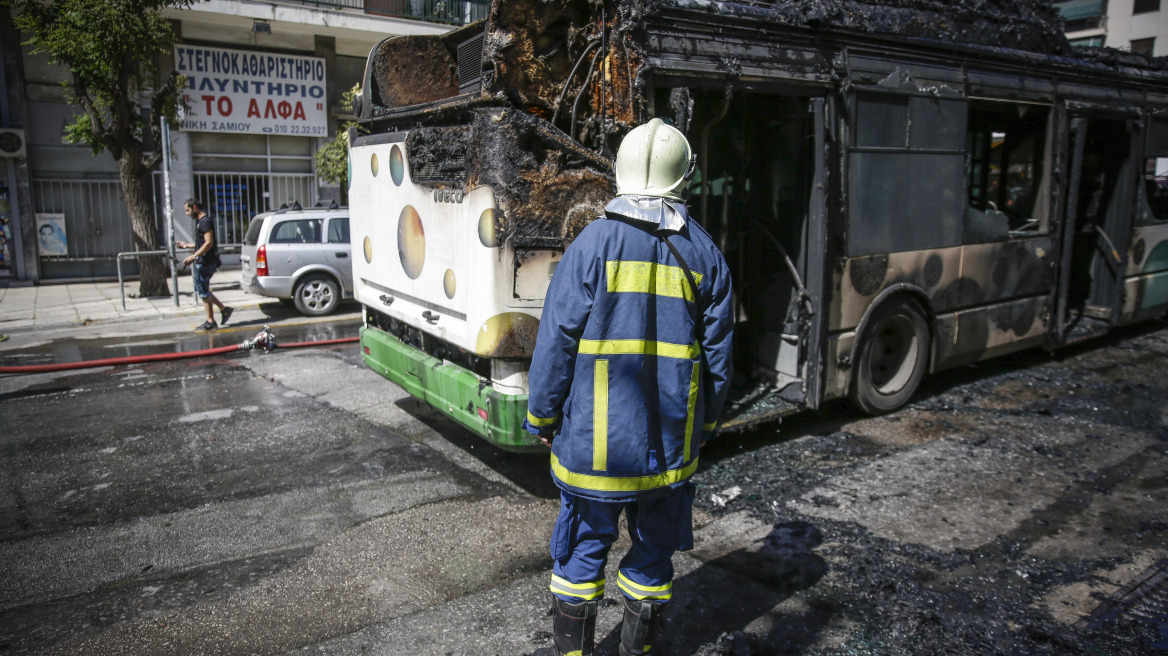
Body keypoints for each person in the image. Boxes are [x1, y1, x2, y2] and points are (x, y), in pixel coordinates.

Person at [524, 118, 735, 656]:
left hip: (594, 448)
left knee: (580, 555)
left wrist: (543, 418)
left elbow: (555, 343)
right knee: (653, 558)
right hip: (669, 449)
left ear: (619, 173)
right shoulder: (705, 255)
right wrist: (706, 425)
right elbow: (717, 358)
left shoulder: (590, 245)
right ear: (681, 178)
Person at [177, 198, 233, 331]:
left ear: (195, 208)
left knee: (203, 291)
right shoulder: (201, 222)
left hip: (206, 262)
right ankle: (224, 310)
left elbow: (209, 243)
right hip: (204, 261)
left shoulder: (205, 222)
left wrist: (194, 256)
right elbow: (202, 244)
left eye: (187, 210)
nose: (186, 213)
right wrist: (187, 246)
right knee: (203, 290)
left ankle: (211, 321)